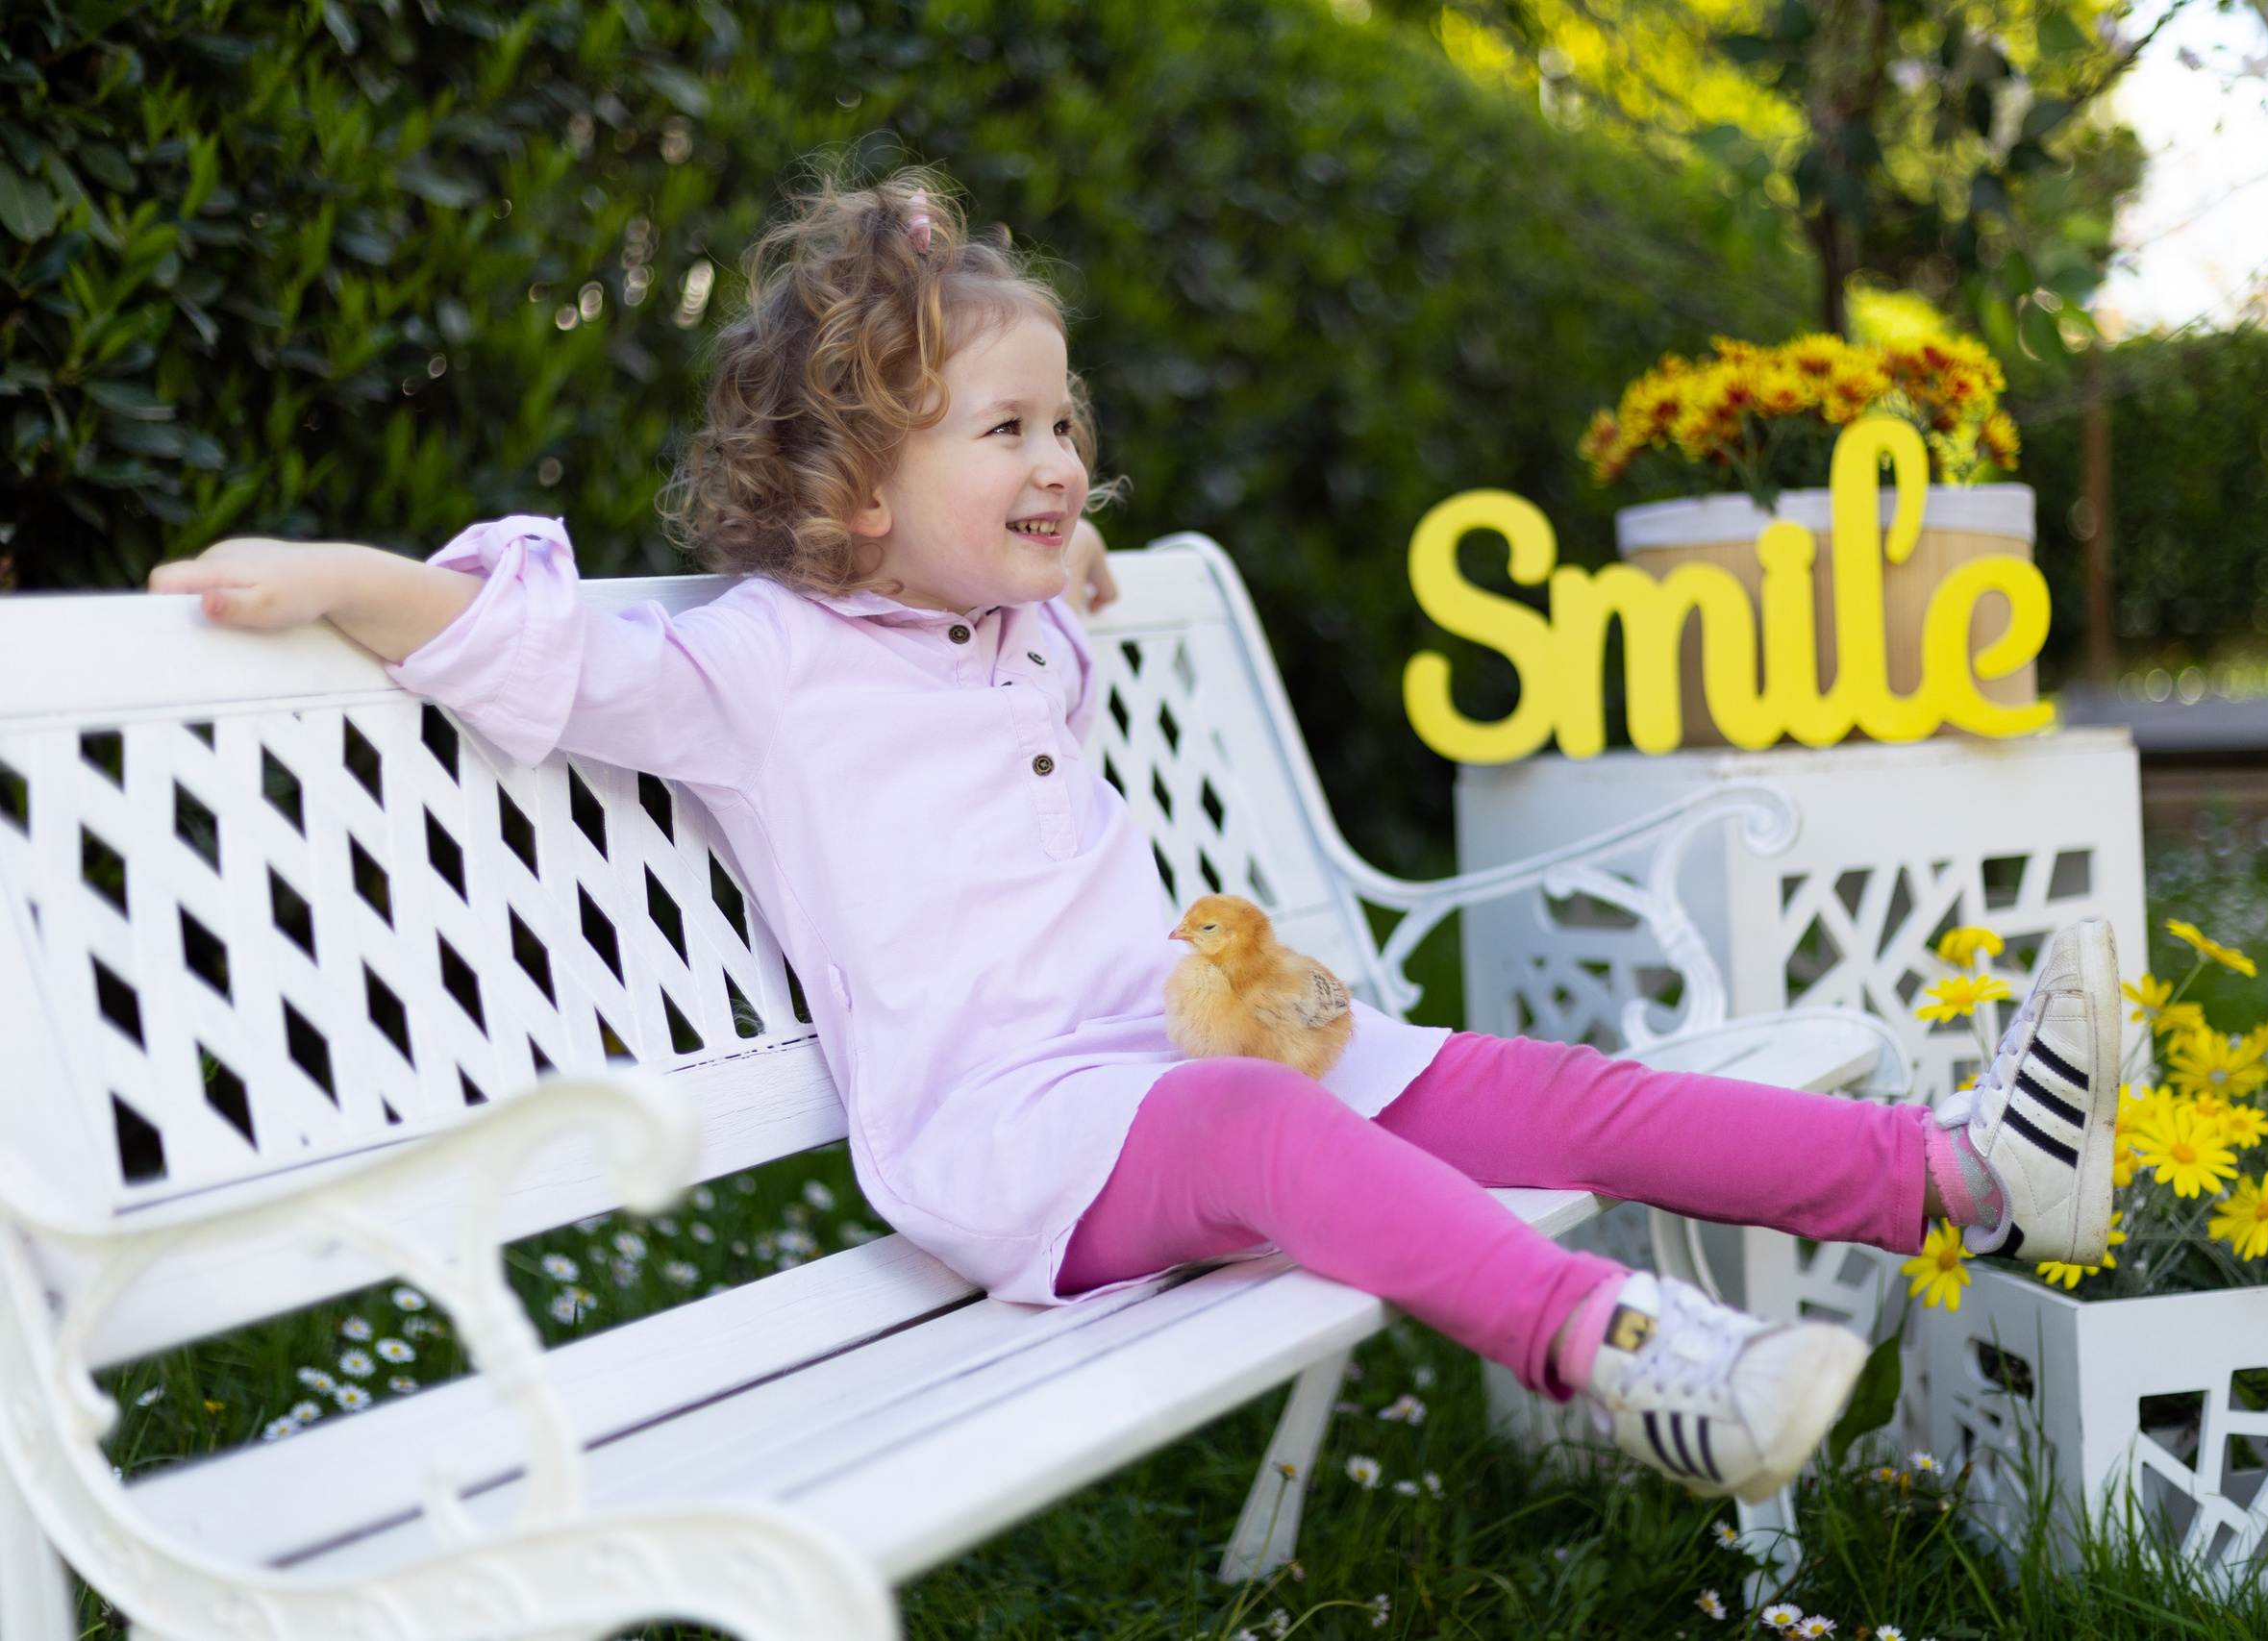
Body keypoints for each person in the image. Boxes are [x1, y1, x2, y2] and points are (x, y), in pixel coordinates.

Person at [148, 168, 2124, 1504]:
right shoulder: (753, 666)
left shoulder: (1020, 630)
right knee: (1274, 1133)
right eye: (1005, 432)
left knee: (1552, 1089)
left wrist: (1057, 548)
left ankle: (1959, 1174)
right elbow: (554, 660)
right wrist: (340, 577)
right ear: (853, 490)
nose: (1060, 460)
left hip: (1181, 1047)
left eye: (1063, 423)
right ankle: (1620, 1354)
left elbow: (1057, 572)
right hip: (1023, 1135)